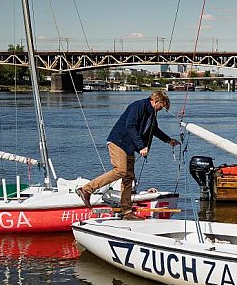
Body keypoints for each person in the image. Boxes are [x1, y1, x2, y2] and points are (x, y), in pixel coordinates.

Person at [77, 90, 179, 219]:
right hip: (119, 142)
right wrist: (141, 146)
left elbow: (154, 129)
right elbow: (130, 126)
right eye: (161, 106)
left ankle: (126, 211)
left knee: (128, 177)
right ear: (155, 101)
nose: (161, 109)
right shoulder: (139, 106)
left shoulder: (152, 113)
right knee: (120, 171)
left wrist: (169, 140)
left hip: (129, 147)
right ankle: (86, 189)